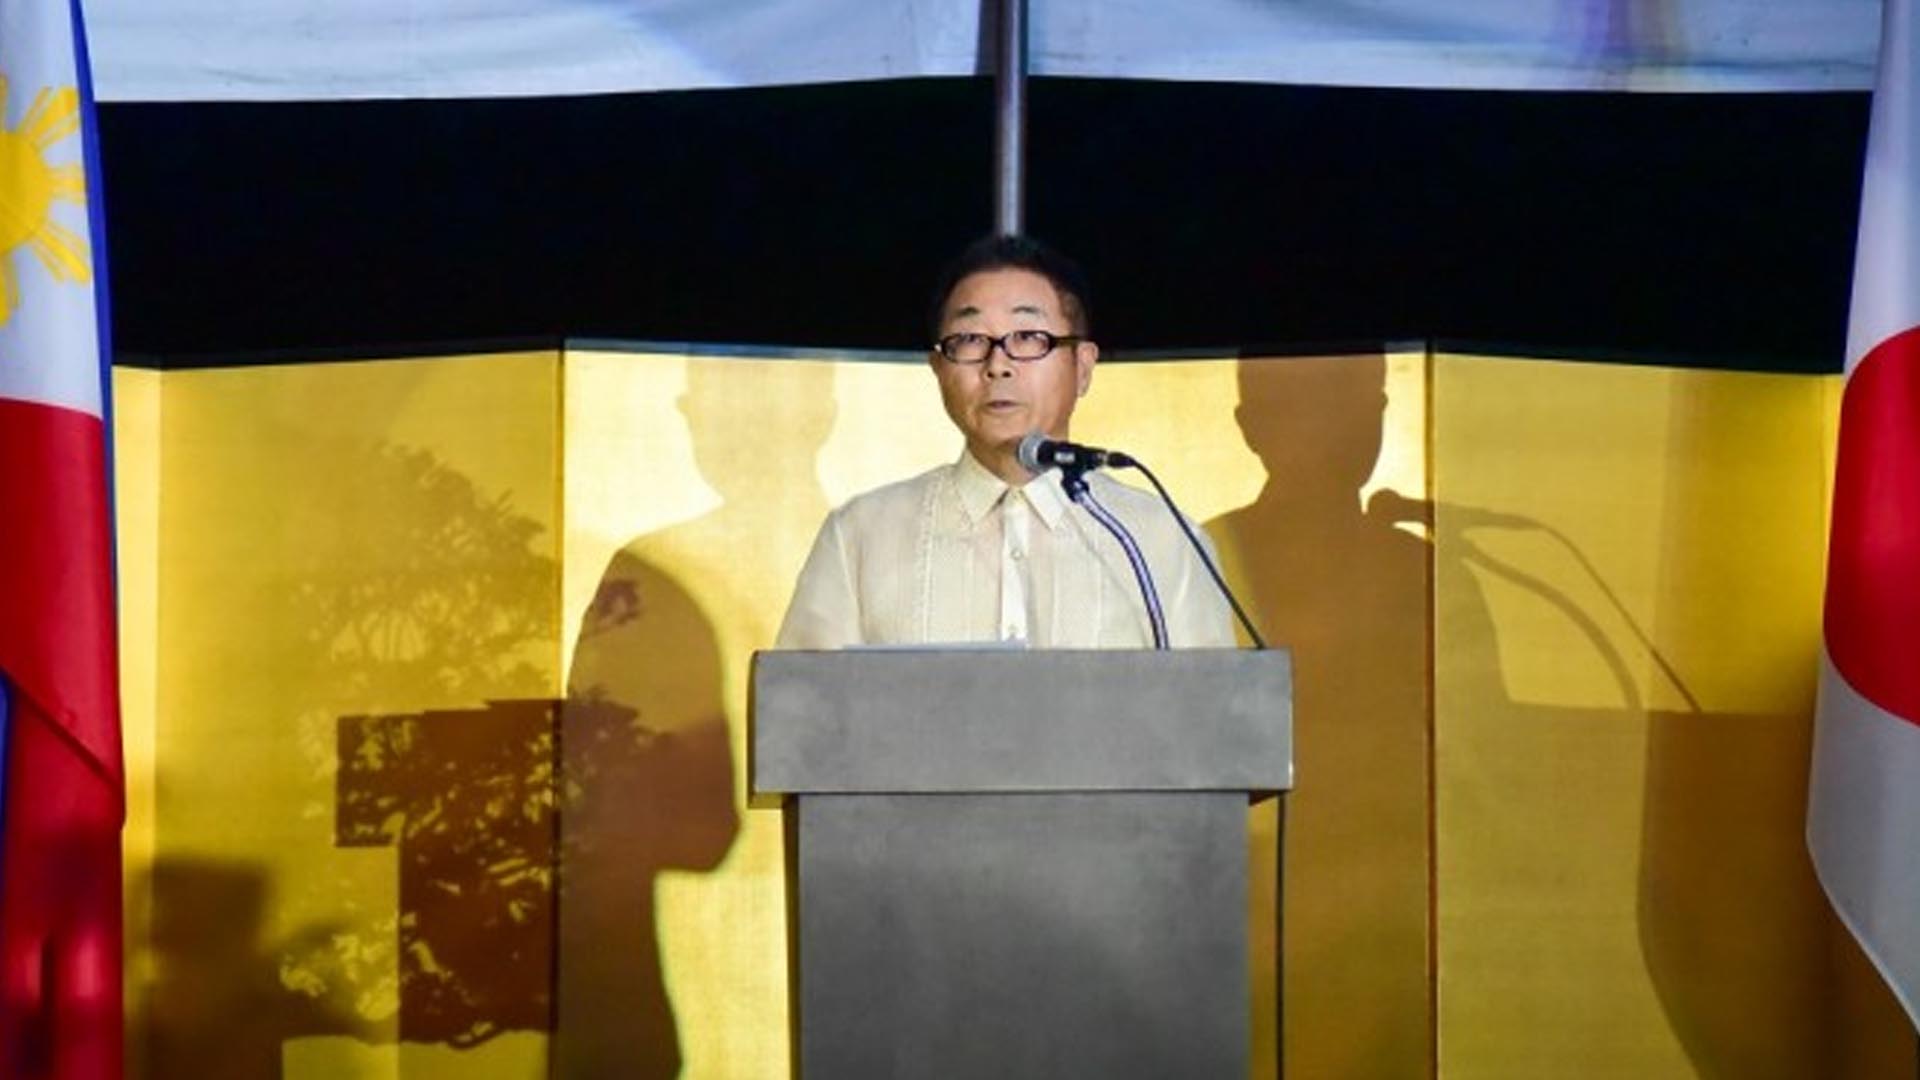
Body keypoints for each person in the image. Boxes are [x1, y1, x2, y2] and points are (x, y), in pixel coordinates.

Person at [775, 234, 1233, 649]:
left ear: (1083, 366)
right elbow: (802, 707)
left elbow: (1212, 708)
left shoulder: (1161, 542)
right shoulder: (861, 536)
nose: (998, 365)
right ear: (939, 370)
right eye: (970, 340)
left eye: (1029, 337)